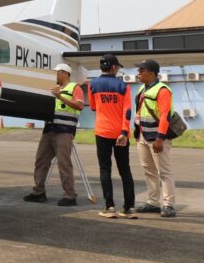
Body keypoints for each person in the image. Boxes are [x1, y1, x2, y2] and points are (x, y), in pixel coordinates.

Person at [23, 63, 84, 206]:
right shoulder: (51, 88)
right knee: (41, 161)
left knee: (64, 163)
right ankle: (39, 192)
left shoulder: (75, 87)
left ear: (65, 73)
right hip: (49, 129)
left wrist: (60, 96)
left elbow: (80, 105)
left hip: (65, 131)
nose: (54, 75)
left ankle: (70, 195)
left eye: (56, 72)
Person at [87, 54, 136, 219]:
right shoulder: (123, 86)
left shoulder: (92, 85)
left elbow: (93, 107)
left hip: (102, 132)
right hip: (120, 134)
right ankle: (129, 208)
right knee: (125, 170)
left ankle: (109, 207)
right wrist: (124, 132)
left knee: (105, 169)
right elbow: (127, 111)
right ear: (114, 67)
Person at [133, 59, 176, 218]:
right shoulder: (142, 89)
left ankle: (168, 204)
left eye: (141, 70)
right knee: (148, 170)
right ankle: (152, 202)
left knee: (164, 171)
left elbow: (165, 116)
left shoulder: (162, 90)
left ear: (151, 73)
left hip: (157, 138)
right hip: (143, 136)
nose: (138, 73)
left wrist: (160, 139)